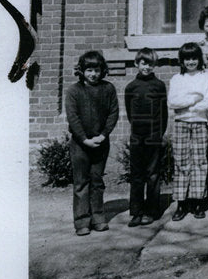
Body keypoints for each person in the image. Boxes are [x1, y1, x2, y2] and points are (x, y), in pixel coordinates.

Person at [64, 50, 119, 236]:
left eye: (97, 70)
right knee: (81, 182)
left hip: (101, 142)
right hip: (80, 144)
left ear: (102, 70)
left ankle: (98, 217)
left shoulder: (108, 89)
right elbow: (73, 117)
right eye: (89, 70)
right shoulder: (74, 91)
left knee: (97, 180)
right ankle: (82, 221)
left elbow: (113, 114)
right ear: (81, 71)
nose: (93, 74)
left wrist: (103, 135)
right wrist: (85, 139)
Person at [167, 42, 208, 221]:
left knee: (200, 162)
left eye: (194, 58)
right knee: (181, 162)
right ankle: (181, 203)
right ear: (182, 60)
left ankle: (198, 202)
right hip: (180, 124)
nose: (191, 62)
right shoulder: (177, 79)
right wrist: (195, 98)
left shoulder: (205, 78)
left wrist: (187, 105)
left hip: (200, 123)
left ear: (199, 59)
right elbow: (173, 102)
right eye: (187, 58)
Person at [124, 47, 167, 227]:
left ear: (154, 65)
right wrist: (137, 130)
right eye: (143, 63)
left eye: (150, 64)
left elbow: (163, 113)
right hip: (137, 135)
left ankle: (151, 210)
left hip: (154, 135)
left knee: (153, 174)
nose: (146, 67)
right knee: (137, 174)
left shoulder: (159, 85)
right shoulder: (131, 87)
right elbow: (129, 112)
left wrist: (159, 133)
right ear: (137, 64)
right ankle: (136, 211)